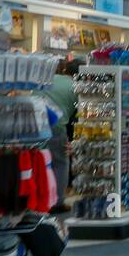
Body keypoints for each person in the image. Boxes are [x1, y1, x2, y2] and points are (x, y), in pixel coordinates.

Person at [47, 58, 78, 214]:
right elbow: (80, 115)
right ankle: (58, 202)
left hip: (34, 124)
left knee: (42, 162)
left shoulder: (47, 78)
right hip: (56, 127)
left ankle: (40, 199)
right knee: (60, 163)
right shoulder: (75, 86)